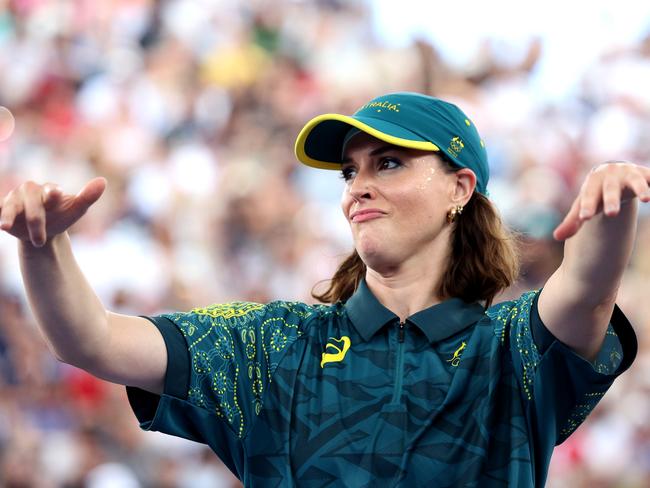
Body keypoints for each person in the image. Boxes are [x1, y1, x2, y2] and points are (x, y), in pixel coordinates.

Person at [1, 92, 646, 487]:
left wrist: (613, 203)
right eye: (349, 171)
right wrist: (41, 245)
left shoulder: (509, 346)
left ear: (460, 187)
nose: (357, 186)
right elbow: (92, 340)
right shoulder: (273, 344)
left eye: (388, 163)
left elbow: (585, 291)